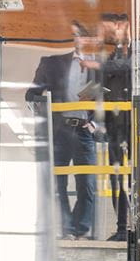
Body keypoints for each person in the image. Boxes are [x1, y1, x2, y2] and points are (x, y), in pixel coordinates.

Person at [25, 22, 97, 239]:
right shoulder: (52, 63)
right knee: (59, 185)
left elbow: (110, 101)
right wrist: (45, 103)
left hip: (84, 130)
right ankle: (64, 229)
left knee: (88, 185)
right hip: (59, 131)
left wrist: (95, 122)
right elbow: (31, 95)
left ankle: (79, 230)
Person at [84, 12, 131, 242]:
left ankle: (139, 226)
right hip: (114, 126)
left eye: (122, 27)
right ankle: (122, 227)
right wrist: (92, 121)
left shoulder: (139, 57)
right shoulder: (106, 62)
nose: (118, 31)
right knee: (116, 177)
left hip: (137, 125)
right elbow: (95, 90)